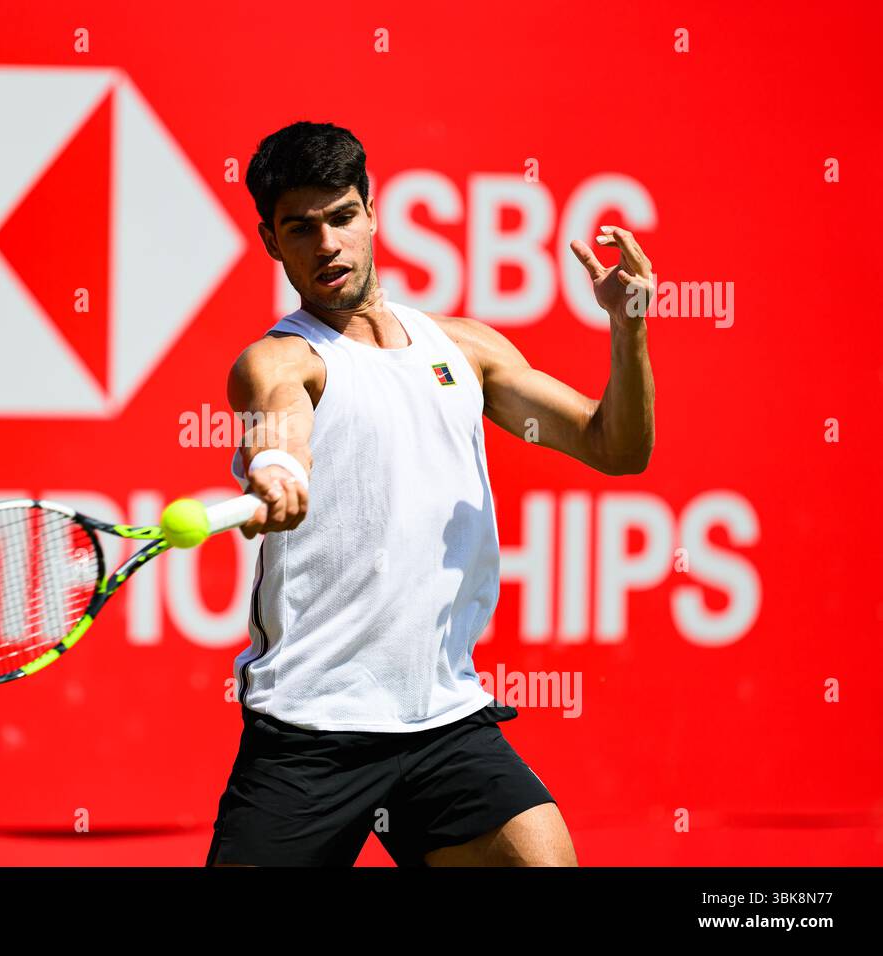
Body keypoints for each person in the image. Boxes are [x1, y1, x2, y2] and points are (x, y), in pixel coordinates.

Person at [207, 121, 656, 867]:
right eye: (301, 227)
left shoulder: (466, 350)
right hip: (309, 735)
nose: (327, 245)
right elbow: (278, 420)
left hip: (445, 722)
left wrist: (628, 326)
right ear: (270, 240)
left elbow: (616, 448)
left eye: (343, 216)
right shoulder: (284, 359)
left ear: (373, 212)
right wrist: (279, 468)